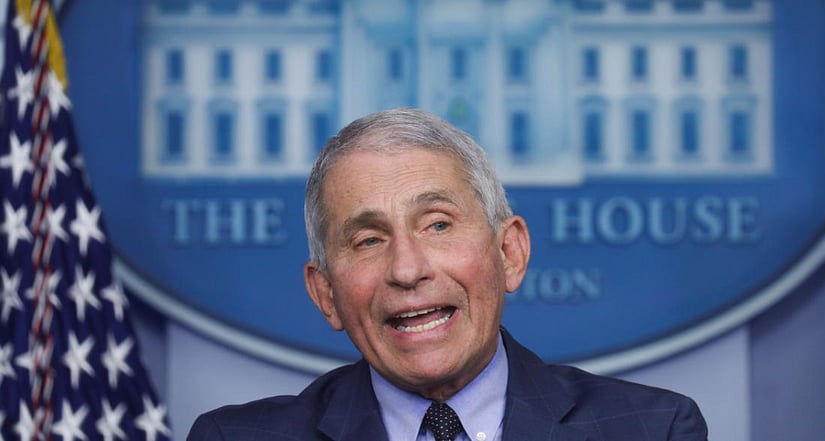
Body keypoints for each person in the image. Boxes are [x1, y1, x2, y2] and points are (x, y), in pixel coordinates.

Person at [187, 108, 708, 441]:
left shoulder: (653, 429)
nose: (407, 269)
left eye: (437, 225)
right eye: (368, 240)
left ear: (510, 252)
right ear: (326, 295)